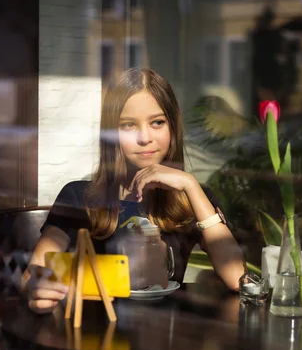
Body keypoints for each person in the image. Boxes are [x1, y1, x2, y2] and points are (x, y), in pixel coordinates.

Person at [23, 68, 246, 314]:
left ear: (173, 127)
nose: (144, 137)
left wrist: (191, 185)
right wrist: (40, 289)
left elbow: (236, 278)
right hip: (98, 336)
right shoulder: (79, 196)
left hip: (167, 336)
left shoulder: (192, 198)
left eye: (157, 122)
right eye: (129, 125)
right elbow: (34, 274)